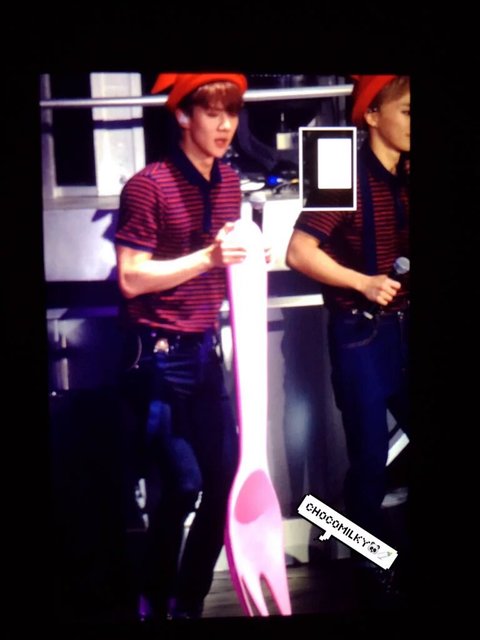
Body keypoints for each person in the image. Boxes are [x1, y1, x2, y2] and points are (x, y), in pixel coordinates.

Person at [114, 73, 251, 621]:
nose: (225, 125)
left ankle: (187, 604)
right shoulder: (148, 185)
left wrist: (247, 257)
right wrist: (209, 258)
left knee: (225, 483)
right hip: (158, 357)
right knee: (182, 486)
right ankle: (152, 599)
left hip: (205, 354)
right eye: (213, 112)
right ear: (182, 115)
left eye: (232, 113)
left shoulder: (230, 182)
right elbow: (131, 278)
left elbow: (224, 262)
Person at [286, 75, 410, 605]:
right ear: (373, 116)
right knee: (369, 463)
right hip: (360, 332)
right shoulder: (341, 168)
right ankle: (369, 569)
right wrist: (363, 282)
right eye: (408, 111)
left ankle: (371, 548)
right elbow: (298, 252)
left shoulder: (408, 171)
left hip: (403, 331)